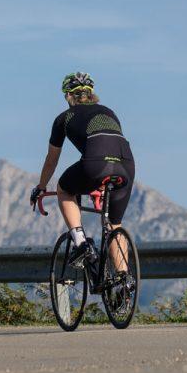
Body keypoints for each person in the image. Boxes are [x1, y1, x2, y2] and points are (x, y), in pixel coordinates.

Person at [30, 72, 136, 269]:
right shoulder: (109, 112)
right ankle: (124, 280)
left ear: (68, 96)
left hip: (96, 163)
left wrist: (41, 187)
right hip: (126, 164)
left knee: (64, 188)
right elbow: (110, 147)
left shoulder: (64, 118)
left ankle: (81, 244)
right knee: (114, 224)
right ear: (91, 94)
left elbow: (51, 160)